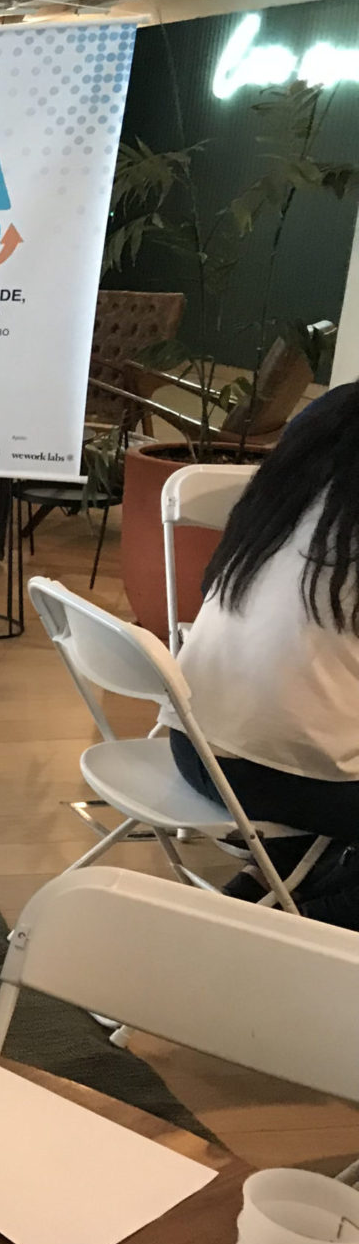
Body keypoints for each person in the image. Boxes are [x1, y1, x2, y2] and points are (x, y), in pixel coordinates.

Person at [164, 383, 359, 923]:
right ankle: (294, 928)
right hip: (273, 775)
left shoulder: (283, 502)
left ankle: (260, 889)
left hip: (192, 744)